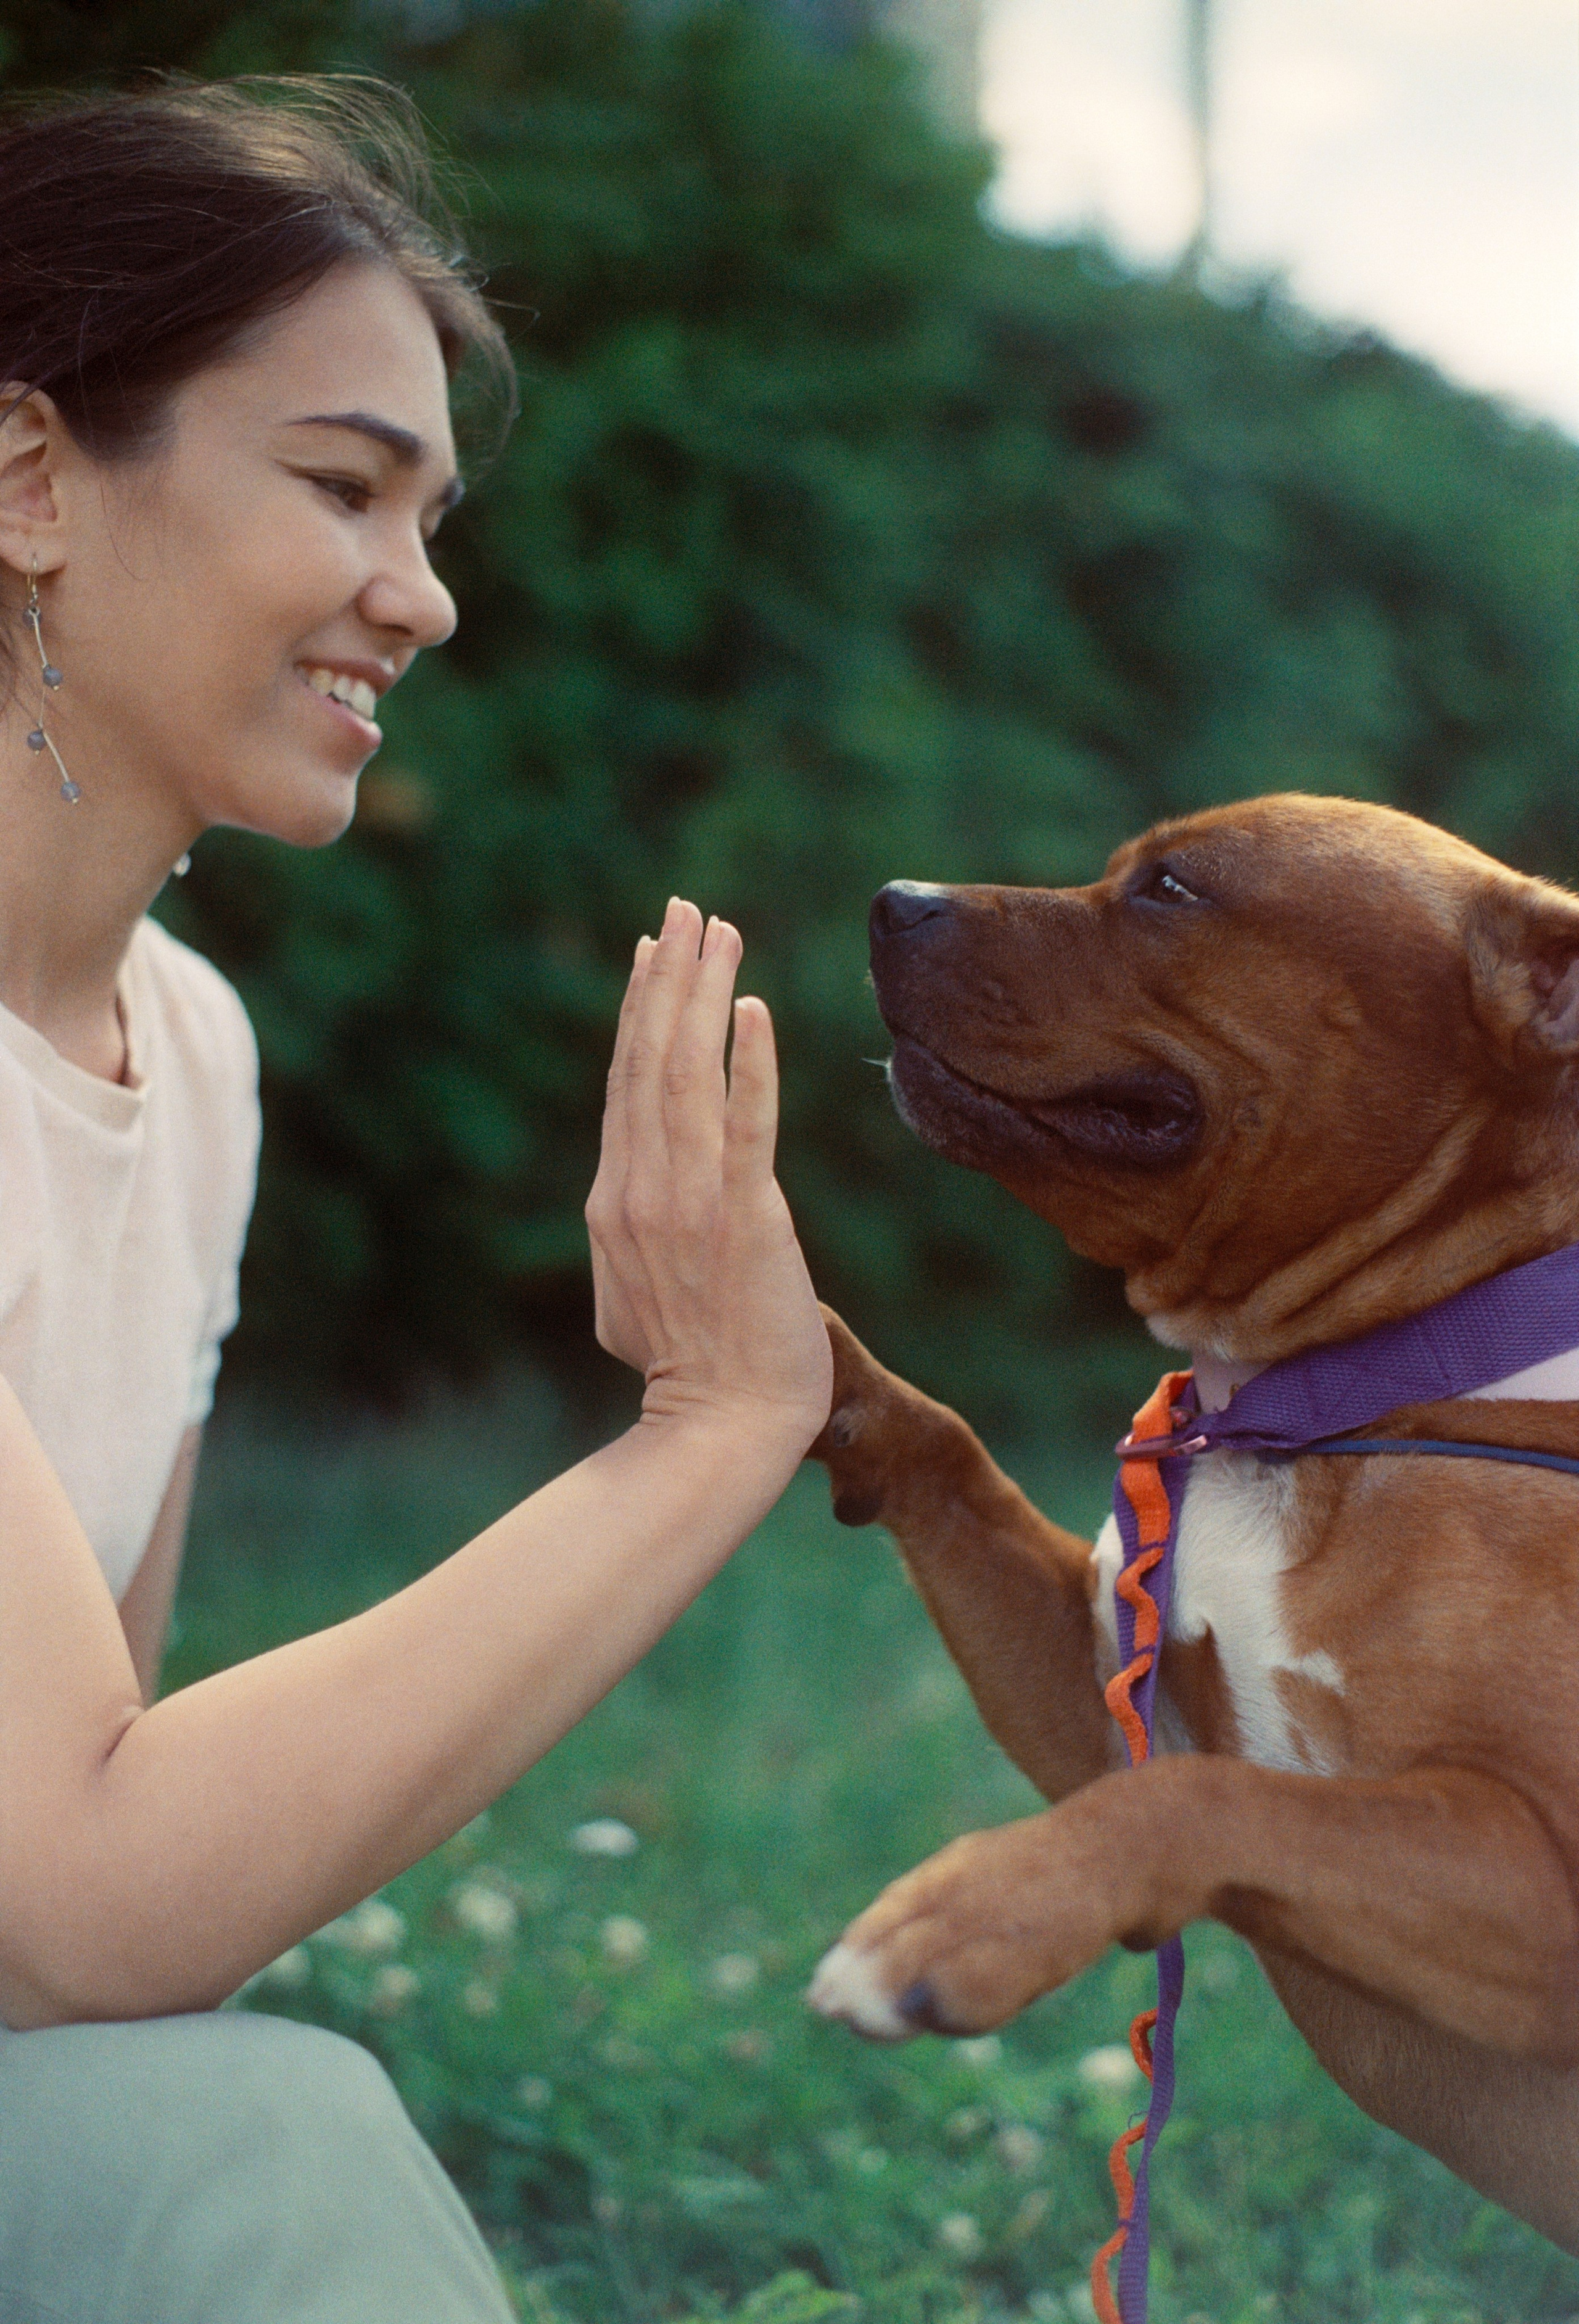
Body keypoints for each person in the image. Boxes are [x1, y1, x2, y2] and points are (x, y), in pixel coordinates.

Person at [0, 75, 832, 2324]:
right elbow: (91, 1897)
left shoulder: (188, 1057)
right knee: (264, 2125)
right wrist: (709, 1431)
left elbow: (56, 1929)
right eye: (344, 485)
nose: (427, 597)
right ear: (34, 475)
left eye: (433, 512)